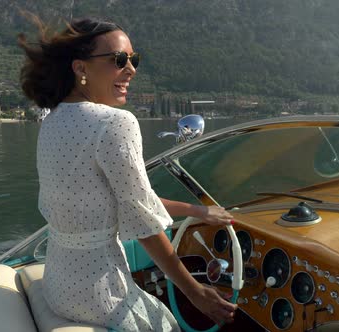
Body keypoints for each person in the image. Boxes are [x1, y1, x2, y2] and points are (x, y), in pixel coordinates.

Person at [18, 15, 237, 331]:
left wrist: (198, 210)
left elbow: (126, 199)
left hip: (59, 285)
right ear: (81, 68)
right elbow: (143, 223)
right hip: (99, 294)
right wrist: (195, 291)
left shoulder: (52, 121)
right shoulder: (115, 123)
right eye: (119, 60)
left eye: (134, 59)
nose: (131, 69)